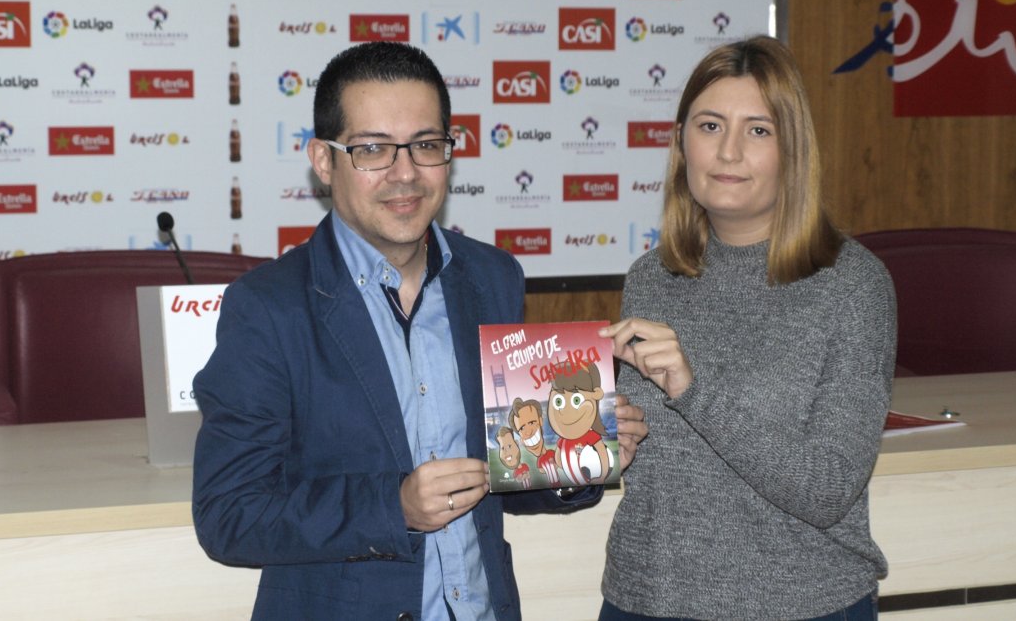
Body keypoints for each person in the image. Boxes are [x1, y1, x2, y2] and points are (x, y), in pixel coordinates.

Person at [190, 41, 647, 621]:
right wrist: (394, 507)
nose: (405, 174)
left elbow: (504, 463)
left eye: (426, 146)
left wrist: (579, 453)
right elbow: (229, 515)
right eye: (373, 150)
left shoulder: (492, 277)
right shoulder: (268, 307)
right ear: (324, 161)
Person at [597, 36, 897, 620]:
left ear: (793, 149)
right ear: (682, 141)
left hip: (800, 605)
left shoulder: (853, 286)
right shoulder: (651, 278)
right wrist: (609, 438)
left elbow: (828, 488)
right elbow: (666, 461)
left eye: (758, 130)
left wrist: (692, 390)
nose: (728, 152)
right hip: (644, 597)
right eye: (710, 126)